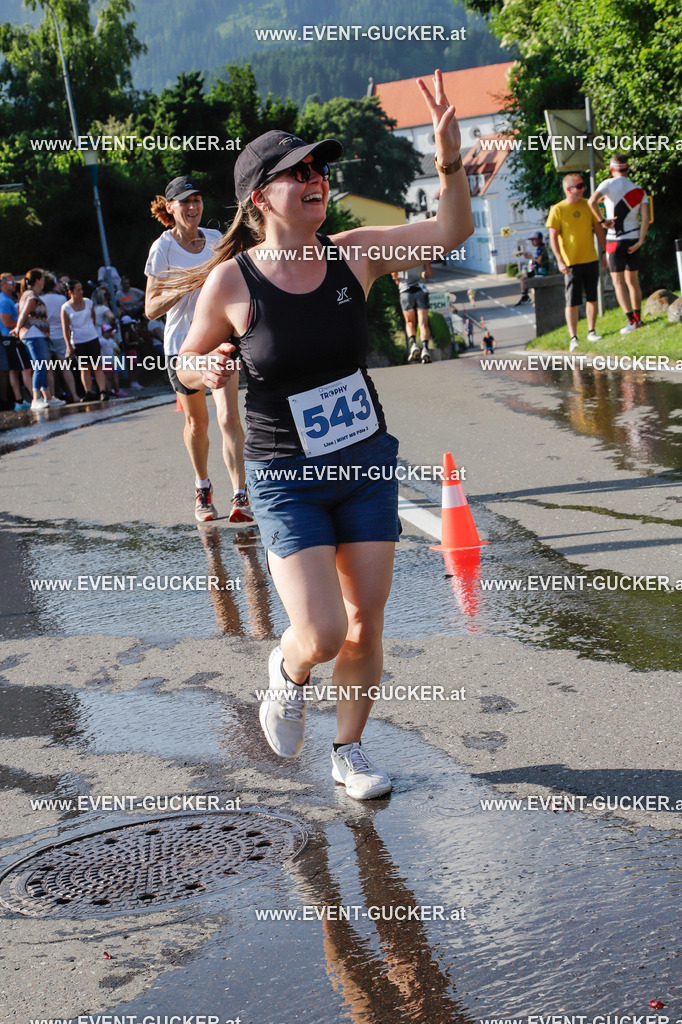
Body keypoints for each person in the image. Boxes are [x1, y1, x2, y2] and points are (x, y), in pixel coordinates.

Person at [175, 70, 473, 799]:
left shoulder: (357, 251)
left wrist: (448, 157)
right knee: (321, 632)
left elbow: (452, 231)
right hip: (287, 478)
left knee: (366, 623)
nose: (316, 179)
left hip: (366, 464)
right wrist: (203, 366)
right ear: (259, 198)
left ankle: (350, 752)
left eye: (318, 169)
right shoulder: (232, 283)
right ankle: (286, 671)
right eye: (297, 172)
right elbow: (181, 365)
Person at [145, 174, 254, 524]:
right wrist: (188, 284)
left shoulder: (214, 239)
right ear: (170, 207)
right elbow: (150, 308)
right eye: (185, 201)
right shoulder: (162, 248)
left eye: (197, 200)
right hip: (183, 349)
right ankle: (203, 487)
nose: (193, 207)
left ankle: (240, 495)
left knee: (228, 417)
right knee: (198, 424)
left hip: (220, 341)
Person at [587, 154, 650, 335]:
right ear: (628, 169)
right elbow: (645, 219)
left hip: (614, 240)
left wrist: (602, 221)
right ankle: (638, 319)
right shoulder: (639, 190)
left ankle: (630, 321)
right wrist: (640, 240)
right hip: (633, 238)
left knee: (618, 281)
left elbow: (592, 202)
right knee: (633, 281)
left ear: (611, 169)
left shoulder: (607, 184)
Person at [547, 173, 607, 352]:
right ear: (568, 189)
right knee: (571, 301)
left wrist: (604, 253)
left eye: (582, 186)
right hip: (571, 262)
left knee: (592, 297)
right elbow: (553, 236)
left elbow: (598, 230)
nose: (582, 189)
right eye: (579, 186)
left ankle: (591, 331)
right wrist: (559, 260)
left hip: (590, 258)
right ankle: (573, 337)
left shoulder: (588, 205)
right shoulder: (558, 209)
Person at [12, 269, 65, 410]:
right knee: (40, 365)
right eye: (42, 278)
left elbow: (24, 315)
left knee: (42, 365)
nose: (43, 281)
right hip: (34, 334)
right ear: (37, 280)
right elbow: (24, 314)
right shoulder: (31, 295)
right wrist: (18, 327)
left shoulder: (29, 294)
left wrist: (18, 327)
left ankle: (47, 396)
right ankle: (36, 398)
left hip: (35, 333)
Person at [60, 280, 110, 401]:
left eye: (81, 289)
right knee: (84, 367)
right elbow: (65, 328)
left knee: (97, 366)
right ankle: (88, 391)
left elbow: (93, 318)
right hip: (78, 340)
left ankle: (102, 390)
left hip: (91, 337)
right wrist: (68, 345)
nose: (81, 292)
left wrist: (88, 329)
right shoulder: (66, 308)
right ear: (71, 292)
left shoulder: (88, 302)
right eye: (78, 290)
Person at [41, 273, 79, 403]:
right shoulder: (61, 299)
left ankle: (52, 397)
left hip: (45, 336)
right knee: (65, 367)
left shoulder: (39, 299)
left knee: (49, 370)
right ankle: (74, 394)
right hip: (60, 335)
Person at [0, 273, 31, 409]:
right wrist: (22, 325)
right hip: (11, 337)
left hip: (8, 338)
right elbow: (6, 322)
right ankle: (32, 397)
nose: (14, 286)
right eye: (11, 283)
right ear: (3, 285)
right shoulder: (5, 301)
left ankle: (19, 400)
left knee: (14, 370)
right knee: (24, 368)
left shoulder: (6, 299)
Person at [392, 262, 433, 363]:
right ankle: (425, 349)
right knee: (423, 323)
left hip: (406, 292)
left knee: (409, 321)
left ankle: (413, 344)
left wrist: (397, 278)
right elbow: (429, 273)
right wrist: (422, 275)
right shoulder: (421, 253)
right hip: (420, 290)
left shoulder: (398, 255)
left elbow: (395, 275)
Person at [515, 231, 550, 304]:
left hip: (541, 270)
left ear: (540, 239)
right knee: (523, 278)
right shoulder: (539, 248)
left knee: (522, 278)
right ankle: (525, 295)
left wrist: (530, 257)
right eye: (532, 240)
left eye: (534, 240)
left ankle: (525, 296)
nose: (532, 242)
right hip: (539, 270)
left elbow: (539, 261)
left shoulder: (541, 249)